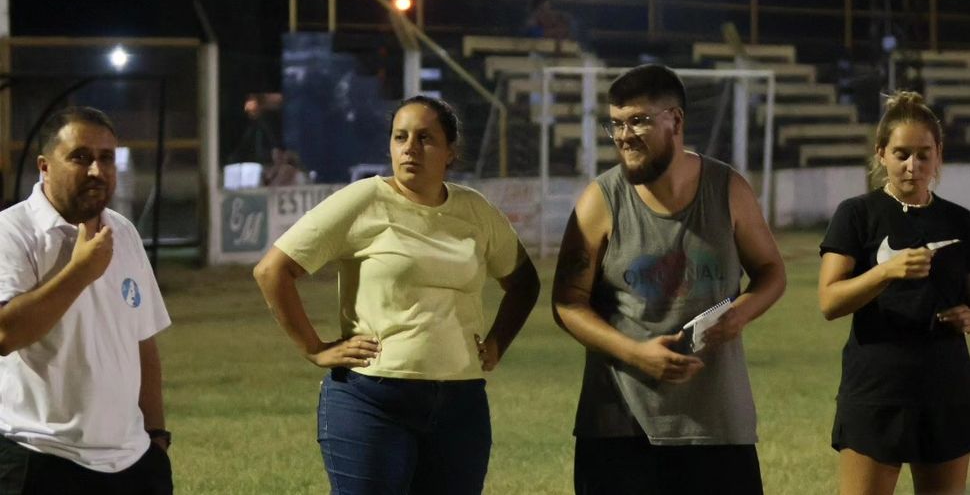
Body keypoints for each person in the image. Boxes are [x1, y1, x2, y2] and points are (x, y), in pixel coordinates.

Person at [253, 95, 540, 494]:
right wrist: (314, 348)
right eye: (400, 137)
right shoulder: (364, 200)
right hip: (372, 400)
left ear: (450, 151)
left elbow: (524, 283)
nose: (409, 148)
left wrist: (497, 343)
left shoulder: (475, 211)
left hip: (461, 405)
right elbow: (272, 271)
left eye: (425, 138)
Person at [551, 64, 786, 494]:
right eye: (616, 124)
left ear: (675, 120)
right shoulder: (600, 201)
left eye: (638, 120)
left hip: (716, 421)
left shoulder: (728, 189)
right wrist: (636, 354)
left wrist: (742, 312)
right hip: (619, 425)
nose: (624, 135)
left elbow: (772, 271)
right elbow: (567, 302)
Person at [0, 106, 173, 494]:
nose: (96, 170)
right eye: (80, 157)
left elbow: (143, 342)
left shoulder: (123, 231)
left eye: (106, 158)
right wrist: (81, 271)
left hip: (133, 462)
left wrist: (156, 438)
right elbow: (6, 332)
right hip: (39, 456)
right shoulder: (11, 233)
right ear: (44, 166)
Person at [818, 91, 970, 495]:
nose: (912, 166)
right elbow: (830, 302)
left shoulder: (961, 221)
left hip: (947, 388)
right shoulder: (857, 214)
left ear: (939, 155)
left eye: (923, 154)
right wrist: (885, 272)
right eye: (901, 153)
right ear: (881, 153)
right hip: (877, 388)